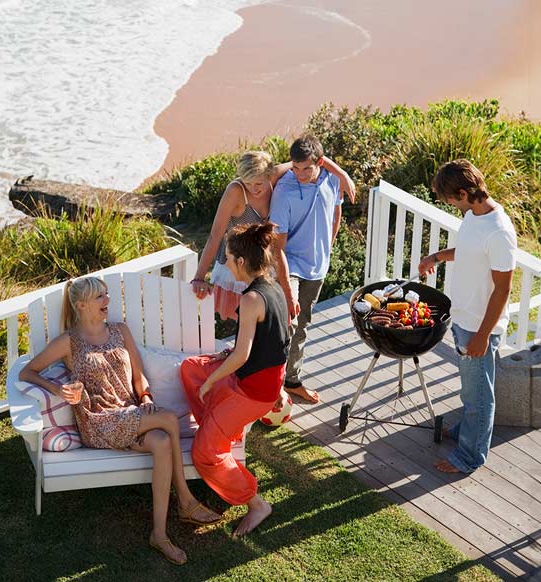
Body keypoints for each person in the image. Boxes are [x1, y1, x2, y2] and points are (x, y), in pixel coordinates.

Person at [18, 276, 221, 565]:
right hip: (98, 421)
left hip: (129, 412)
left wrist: (146, 397)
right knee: (168, 419)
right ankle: (186, 500)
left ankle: (159, 535)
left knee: (162, 441)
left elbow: (138, 375)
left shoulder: (120, 331)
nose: (107, 301)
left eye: (106, 294)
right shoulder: (69, 342)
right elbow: (27, 373)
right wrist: (58, 389)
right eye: (100, 297)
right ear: (81, 305)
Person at [181, 222, 290, 537]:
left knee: (203, 453)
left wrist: (210, 381)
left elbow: (243, 356)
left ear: (241, 262)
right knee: (190, 368)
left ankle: (256, 503)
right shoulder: (271, 287)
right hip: (255, 377)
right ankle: (220, 431)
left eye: (228, 258)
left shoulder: (252, 299)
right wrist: (216, 366)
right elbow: (271, 341)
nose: (227, 264)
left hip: (254, 391)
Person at [417, 159, 517, 474]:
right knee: (470, 390)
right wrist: (436, 257)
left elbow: (502, 290)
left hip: (478, 326)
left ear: (463, 192)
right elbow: (468, 251)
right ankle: (465, 432)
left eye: (450, 199)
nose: (449, 205)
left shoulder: (500, 232)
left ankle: (470, 457)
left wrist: (483, 336)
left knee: (479, 397)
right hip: (464, 319)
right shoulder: (474, 215)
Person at [191, 150, 355, 321]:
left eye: (259, 184)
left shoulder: (274, 176)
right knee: (241, 319)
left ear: (268, 175)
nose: (254, 189)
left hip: (261, 262)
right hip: (235, 263)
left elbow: (309, 159)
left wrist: (343, 175)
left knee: (263, 319)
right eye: (248, 183)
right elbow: (215, 236)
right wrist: (199, 278)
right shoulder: (235, 191)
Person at [270, 134, 344, 403]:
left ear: (320, 164)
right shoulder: (284, 192)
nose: (300, 174)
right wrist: (288, 291)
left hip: (317, 265)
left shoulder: (333, 179)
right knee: (285, 325)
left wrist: (328, 247)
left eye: (306, 168)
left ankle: (291, 380)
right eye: (295, 167)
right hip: (290, 265)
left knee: (302, 326)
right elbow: (277, 247)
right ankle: (270, 387)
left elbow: (336, 213)